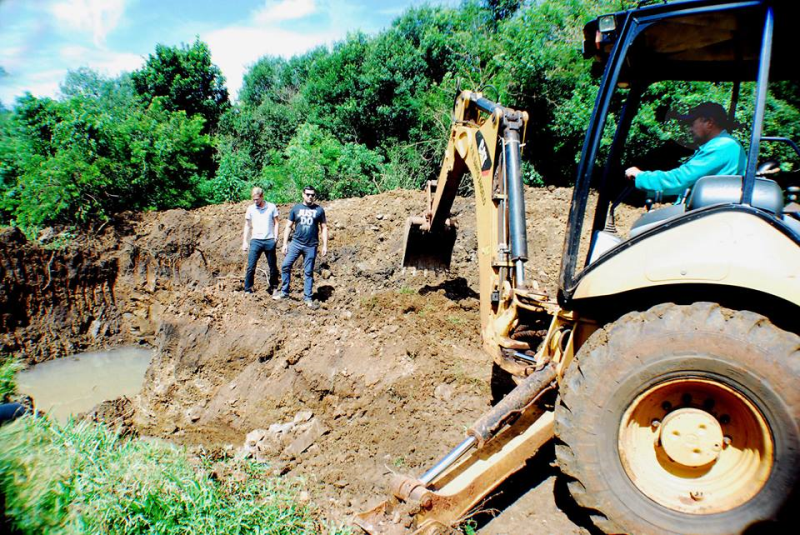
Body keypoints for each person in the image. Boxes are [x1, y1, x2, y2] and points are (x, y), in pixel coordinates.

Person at [625, 102, 747, 198]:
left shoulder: (721, 146)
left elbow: (680, 180)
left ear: (709, 122)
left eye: (692, 123)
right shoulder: (723, 145)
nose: (689, 129)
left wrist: (641, 176)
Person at [273, 186, 328, 308]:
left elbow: (324, 228)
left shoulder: (319, 210)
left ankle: (308, 298)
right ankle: (284, 292)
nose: (310, 197)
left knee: (308, 272)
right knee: (285, 266)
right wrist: (285, 244)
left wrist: (325, 245)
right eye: (308, 194)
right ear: (303, 194)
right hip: (296, 243)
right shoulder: (296, 208)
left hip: (311, 246)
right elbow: (288, 226)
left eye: (312, 195)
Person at [242, 187, 280, 294]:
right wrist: (245, 241)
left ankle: (274, 287)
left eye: (257, 199)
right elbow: (247, 225)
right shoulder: (251, 209)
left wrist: (275, 237)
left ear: (262, 196)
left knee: (273, 267)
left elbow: (276, 222)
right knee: (251, 266)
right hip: (256, 241)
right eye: (253, 199)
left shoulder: (271, 207)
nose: (255, 201)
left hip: (269, 240)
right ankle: (248, 289)